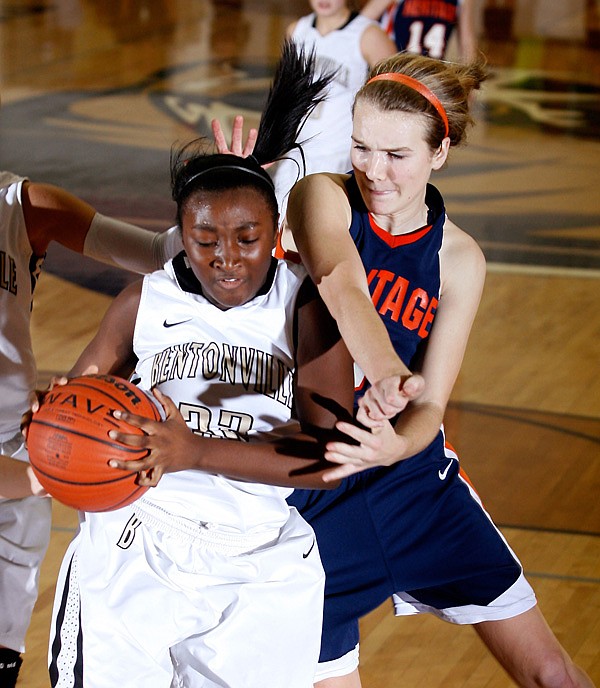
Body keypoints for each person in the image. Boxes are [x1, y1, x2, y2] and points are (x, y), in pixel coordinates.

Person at [113, 54, 594, 687]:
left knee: (550, 672)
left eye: (397, 155)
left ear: (438, 154)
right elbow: (341, 281)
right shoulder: (325, 197)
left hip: (417, 489)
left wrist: (396, 439)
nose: (373, 169)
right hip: (314, 491)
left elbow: (431, 409)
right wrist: (387, 371)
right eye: (362, 147)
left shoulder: (460, 261)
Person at [39, 43, 358, 687]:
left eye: (247, 239)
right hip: (136, 542)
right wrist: (56, 426)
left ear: (276, 235)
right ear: (180, 235)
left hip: (257, 562)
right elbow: (79, 393)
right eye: (204, 240)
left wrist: (195, 450)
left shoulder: (309, 310)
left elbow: (331, 459)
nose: (226, 258)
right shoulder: (144, 301)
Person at [0, 107, 255, 685]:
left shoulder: (25, 206)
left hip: (18, 455)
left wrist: (230, 194)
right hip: (33, 469)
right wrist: (49, 474)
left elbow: (164, 257)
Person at [268, 0, 396, 221]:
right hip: (296, 155)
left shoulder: (368, 34)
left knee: (328, 231)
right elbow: (284, 98)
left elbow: (394, 99)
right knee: (280, 233)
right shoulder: (297, 30)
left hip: (340, 157)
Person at [360, 0, 477, 62]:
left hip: (431, 73)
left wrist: (471, 81)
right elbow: (360, 25)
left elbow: (467, 42)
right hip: (395, 68)